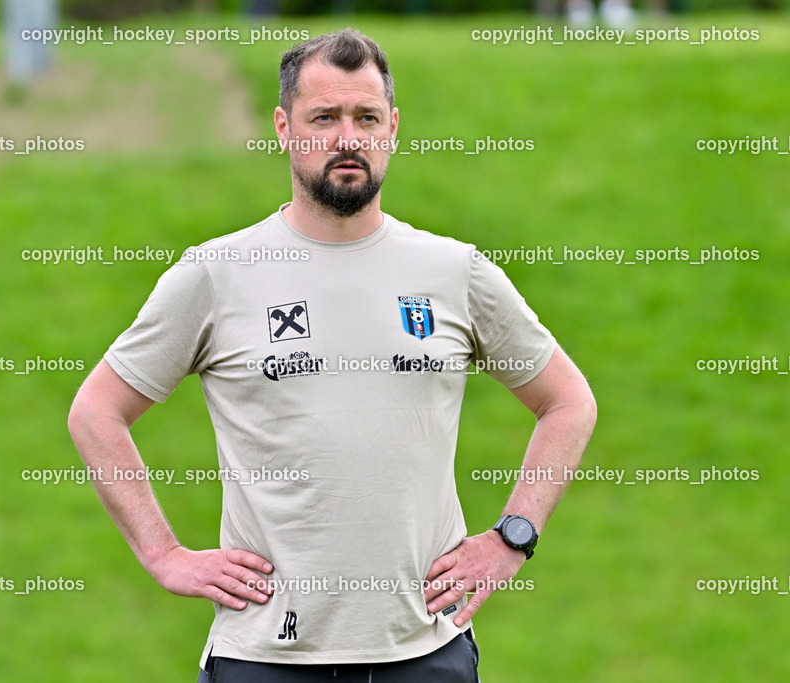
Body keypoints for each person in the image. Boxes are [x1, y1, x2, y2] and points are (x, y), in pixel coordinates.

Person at [68, 28, 597, 682]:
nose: (348, 137)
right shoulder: (217, 273)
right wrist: (164, 554)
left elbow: (568, 402)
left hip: (424, 655)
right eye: (325, 118)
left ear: (393, 128)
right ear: (285, 128)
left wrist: (512, 536)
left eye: (366, 118)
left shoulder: (454, 272)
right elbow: (97, 412)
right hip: (266, 657)